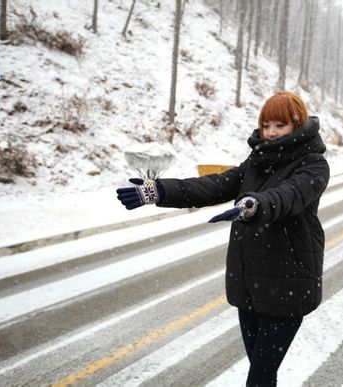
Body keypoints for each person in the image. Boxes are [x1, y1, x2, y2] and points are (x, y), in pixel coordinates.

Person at [116, 91, 330, 386]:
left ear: (297, 123)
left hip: (287, 287)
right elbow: (215, 185)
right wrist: (160, 191)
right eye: (266, 125)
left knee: (259, 377)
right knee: (262, 373)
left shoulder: (314, 165)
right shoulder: (257, 161)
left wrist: (254, 206)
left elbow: (287, 196)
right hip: (250, 287)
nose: (270, 133)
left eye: (279, 126)